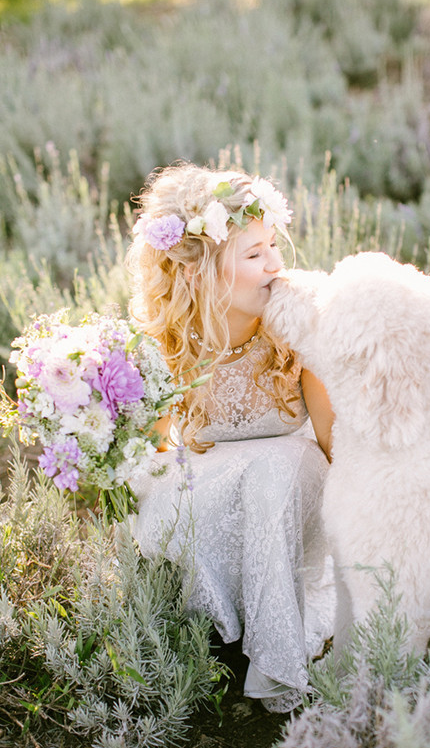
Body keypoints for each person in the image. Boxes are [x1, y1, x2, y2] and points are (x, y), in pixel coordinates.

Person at [127, 163, 336, 712]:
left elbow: (335, 444)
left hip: (294, 485)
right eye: (252, 254)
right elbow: (152, 455)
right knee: (193, 485)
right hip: (214, 489)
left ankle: (278, 659)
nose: (274, 265)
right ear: (200, 273)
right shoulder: (167, 344)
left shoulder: (296, 324)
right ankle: (216, 636)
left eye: (273, 246)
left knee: (274, 468)